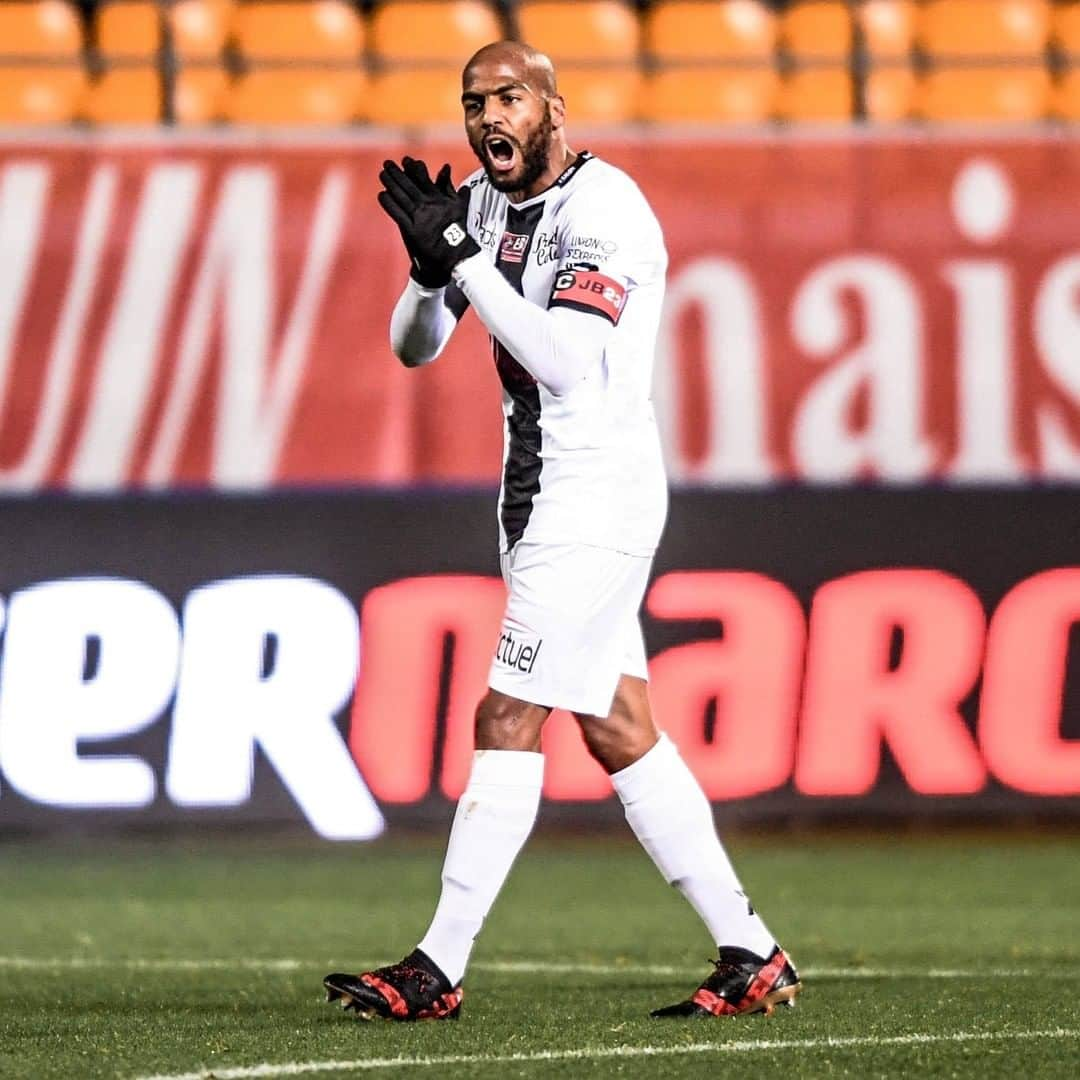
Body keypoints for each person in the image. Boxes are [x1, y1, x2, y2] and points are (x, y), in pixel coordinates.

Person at [323, 40, 800, 1023]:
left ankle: (437, 966)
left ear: (553, 109)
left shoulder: (606, 211)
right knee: (620, 727)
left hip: (595, 501)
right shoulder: (478, 203)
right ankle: (751, 952)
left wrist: (462, 260)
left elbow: (567, 364)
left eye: (508, 97)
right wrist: (427, 273)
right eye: (472, 101)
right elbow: (415, 351)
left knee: (506, 717)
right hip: (542, 496)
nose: (487, 116)